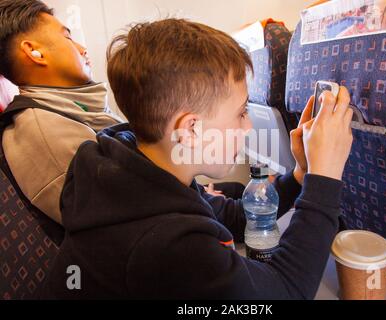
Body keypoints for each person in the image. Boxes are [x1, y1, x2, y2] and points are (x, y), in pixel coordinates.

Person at [41, 19, 353, 300]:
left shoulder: (141, 171)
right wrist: (325, 178)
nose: (248, 127)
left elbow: (231, 216)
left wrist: (300, 175)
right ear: (191, 129)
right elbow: (285, 292)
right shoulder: (168, 244)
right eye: (241, 112)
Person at [0, 0, 122, 224]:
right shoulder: (45, 132)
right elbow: (127, 217)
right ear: (34, 52)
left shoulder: (71, 108)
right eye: (67, 37)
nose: (83, 48)